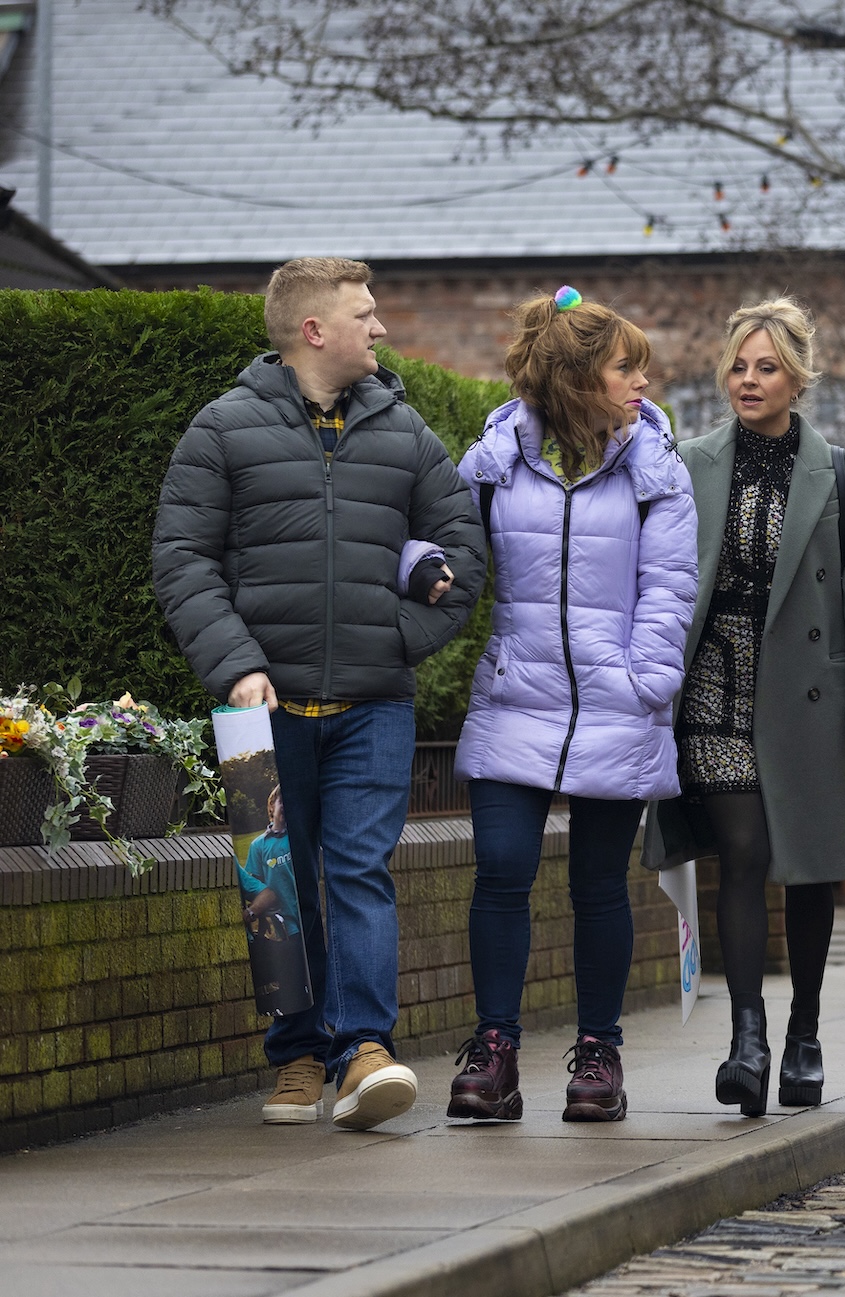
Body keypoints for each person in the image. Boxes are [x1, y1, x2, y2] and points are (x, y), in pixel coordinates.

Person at [153, 256, 483, 1130]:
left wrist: (395, 640)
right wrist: (236, 664)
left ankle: (365, 1050)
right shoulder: (221, 430)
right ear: (313, 330)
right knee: (277, 881)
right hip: (261, 711)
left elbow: (465, 547)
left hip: (375, 704)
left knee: (360, 870)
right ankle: (297, 1053)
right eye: (364, 314)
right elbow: (181, 560)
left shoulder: (406, 432)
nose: (379, 327)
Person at [446, 288, 698, 1123]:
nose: (641, 382)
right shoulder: (492, 460)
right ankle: (495, 1051)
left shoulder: (656, 467)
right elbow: (445, 546)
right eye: (626, 367)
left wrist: (644, 682)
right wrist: (419, 566)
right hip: (515, 695)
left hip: (615, 704)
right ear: (577, 374)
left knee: (598, 884)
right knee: (502, 869)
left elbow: (669, 589)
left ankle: (600, 1054)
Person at [652, 296, 845, 1117]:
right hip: (715, 681)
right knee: (746, 850)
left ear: (798, 376)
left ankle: (805, 1032)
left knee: (810, 871)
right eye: (737, 365)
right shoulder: (692, 462)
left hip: (809, 696)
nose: (747, 380)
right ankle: (747, 1037)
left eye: (765, 367)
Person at [239, 786, 300, 939]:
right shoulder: (258, 845)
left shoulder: (298, 837)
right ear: (272, 805)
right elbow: (258, 889)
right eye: (282, 802)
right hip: (284, 924)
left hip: (305, 916)